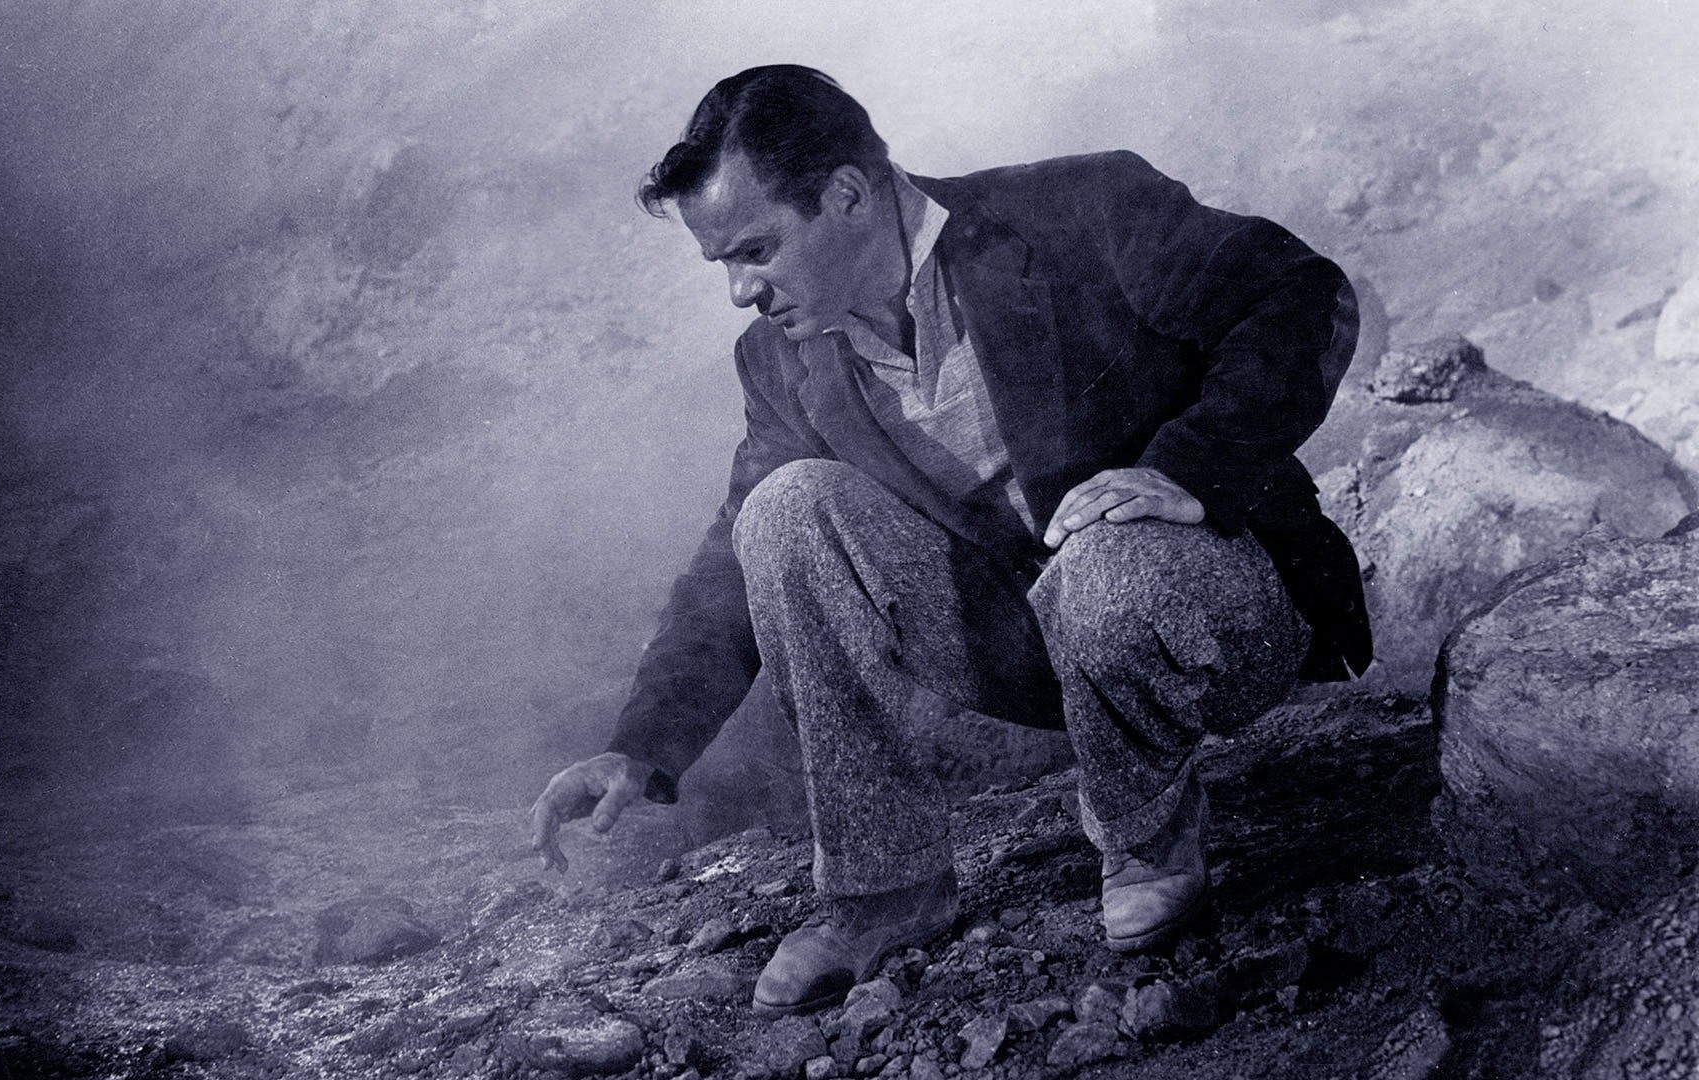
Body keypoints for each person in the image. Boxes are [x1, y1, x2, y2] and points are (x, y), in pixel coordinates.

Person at [529, 64, 1369, 1016]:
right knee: (783, 509)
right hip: (1039, 656)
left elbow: (1300, 293)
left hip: (1215, 610)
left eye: (755, 250)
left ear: (848, 195)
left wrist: (1188, 467)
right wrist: (641, 747)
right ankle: (884, 891)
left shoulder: (1074, 209)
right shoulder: (779, 360)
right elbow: (731, 565)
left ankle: (1146, 838)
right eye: (722, 262)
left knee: (1103, 552)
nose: (738, 291)